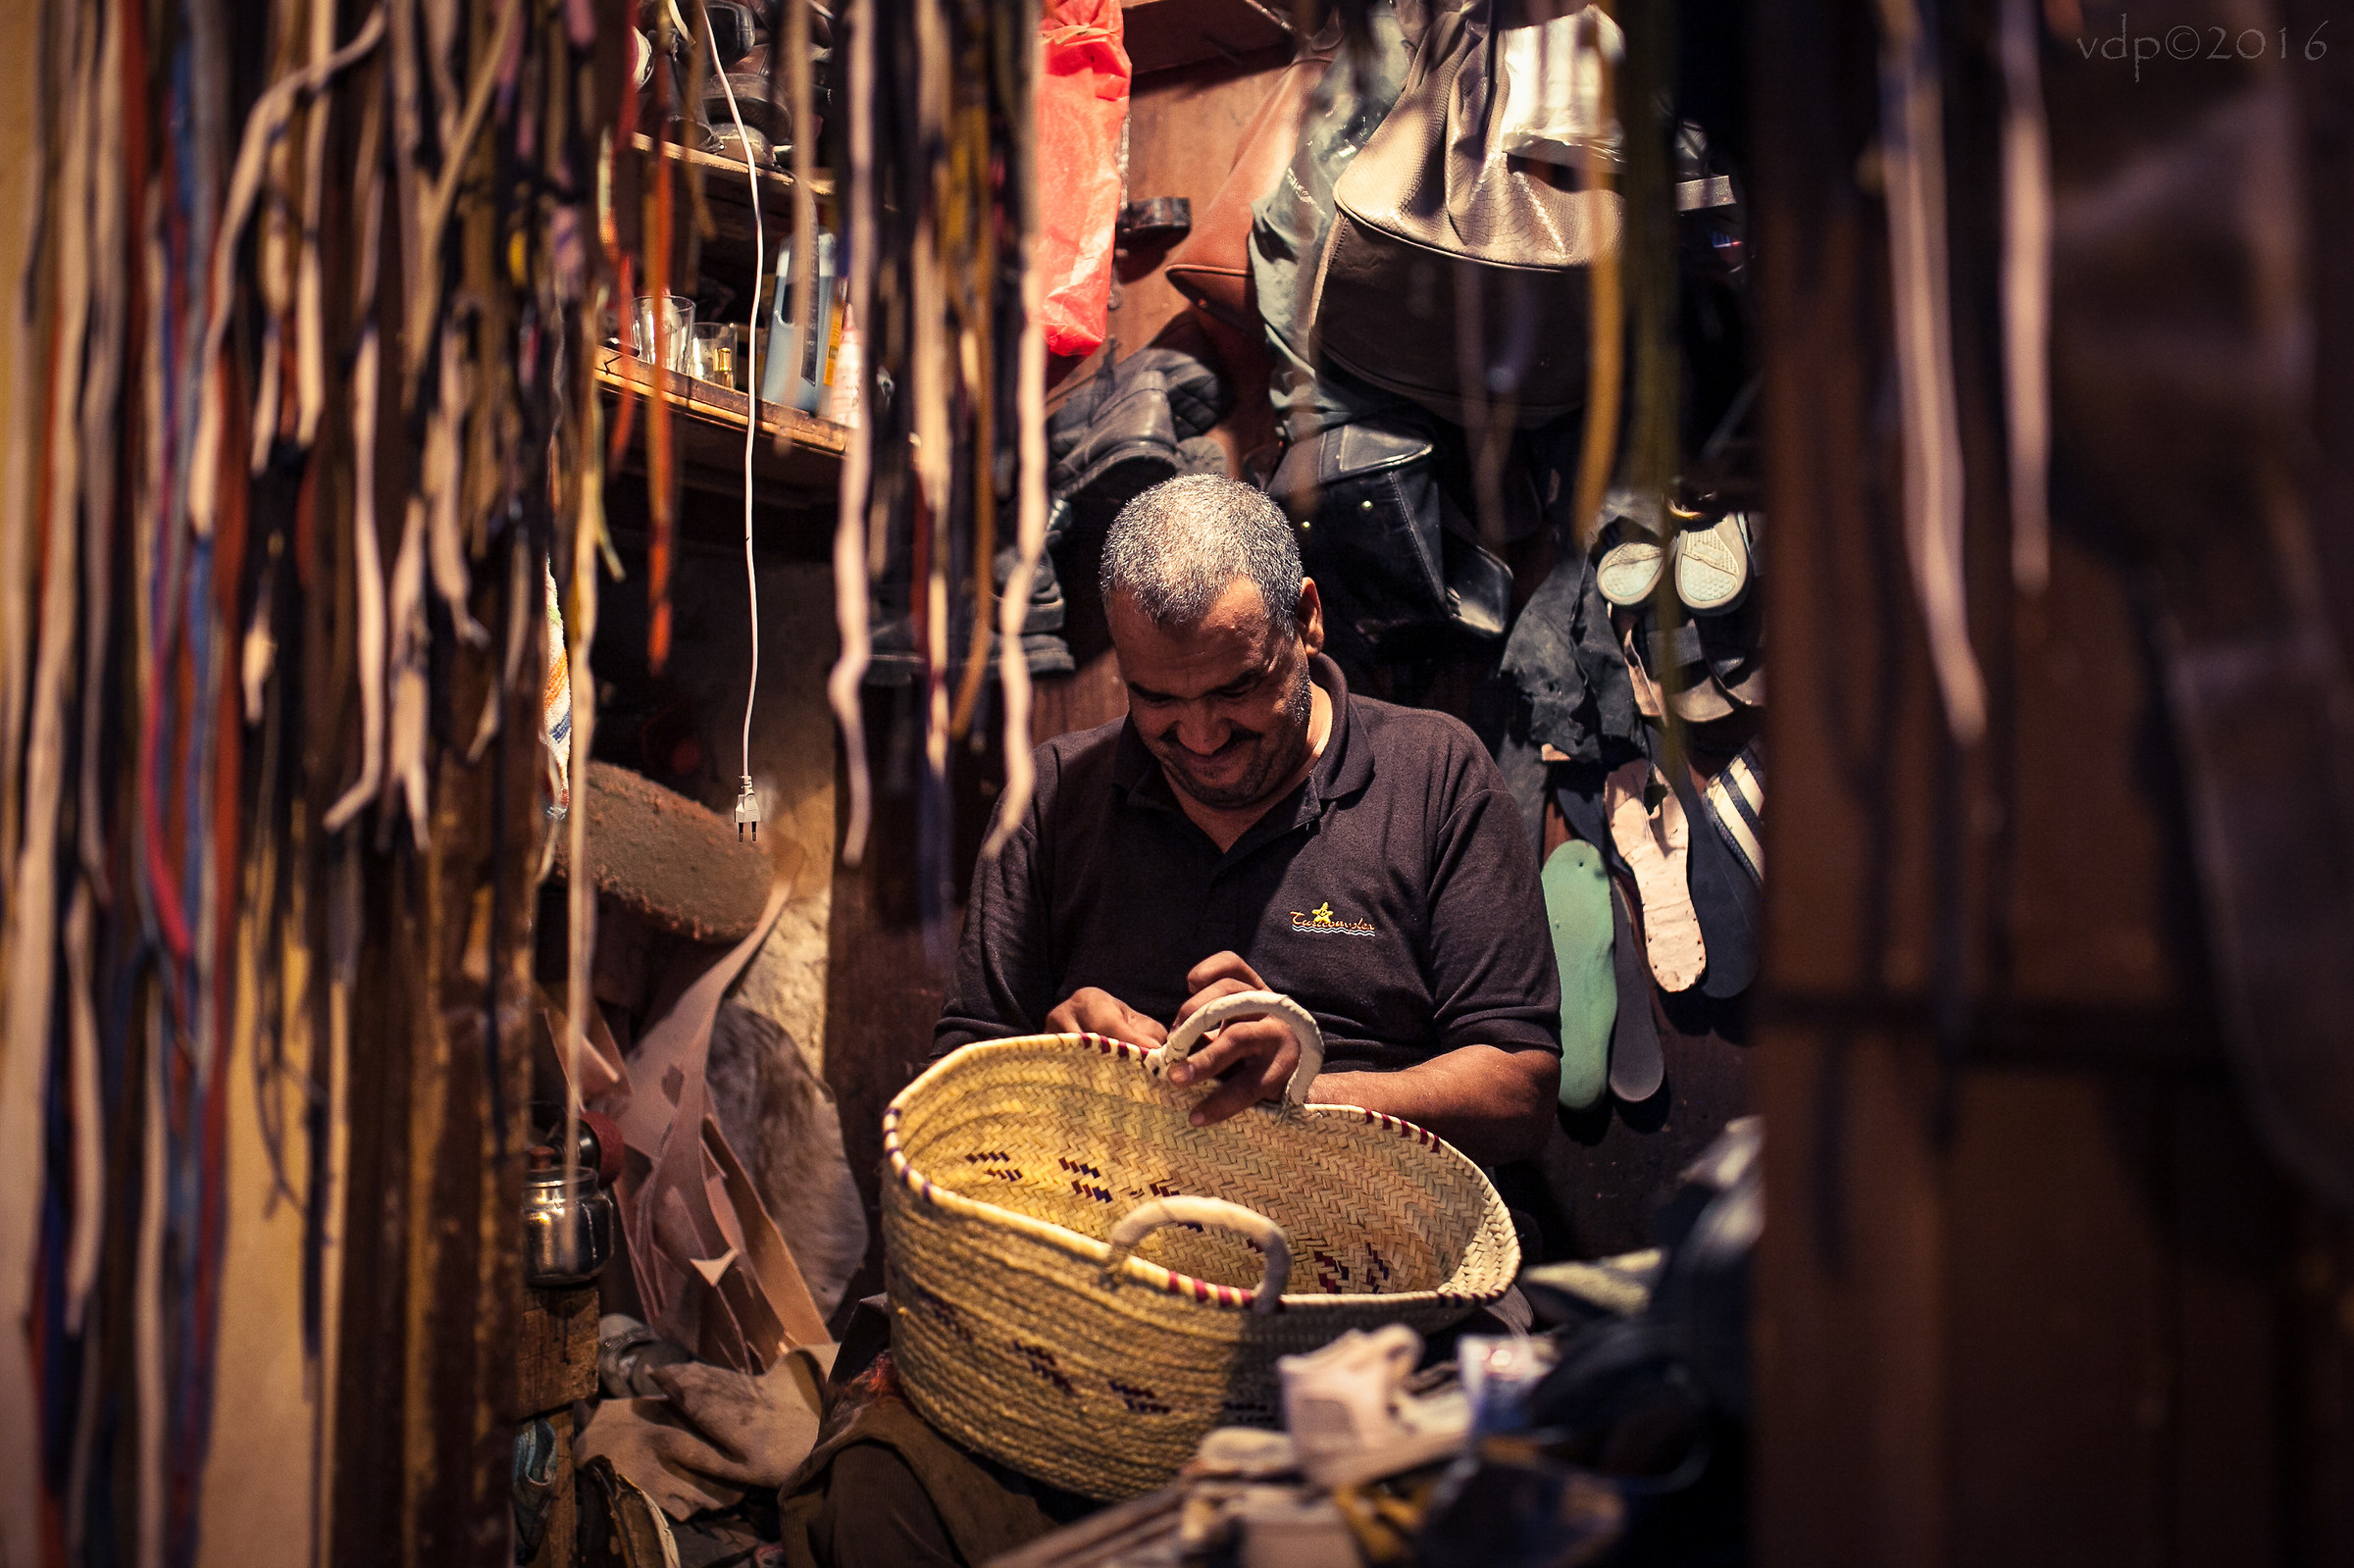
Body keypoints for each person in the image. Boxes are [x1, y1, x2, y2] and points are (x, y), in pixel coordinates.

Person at [938, 473, 1561, 1163]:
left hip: (1378, 1226)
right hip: (1113, 1218)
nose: (1202, 738)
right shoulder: (1052, 795)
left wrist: (1305, 1092)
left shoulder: (1436, 773)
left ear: (1306, 619)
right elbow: (962, 1071)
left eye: (1239, 687)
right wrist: (1060, 1063)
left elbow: (1519, 1090)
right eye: (1157, 699)